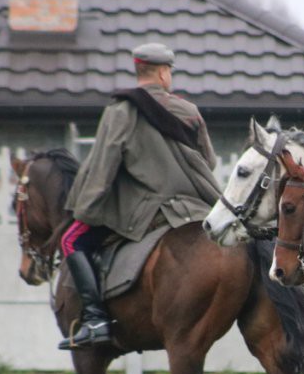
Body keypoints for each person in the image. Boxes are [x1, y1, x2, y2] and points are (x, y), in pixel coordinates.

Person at [57, 42, 223, 350]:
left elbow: (104, 165)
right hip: (194, 206)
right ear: (162, 73)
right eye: (169, 71)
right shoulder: (189, 111)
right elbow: (208, 162)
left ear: (141, 70)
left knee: (70, 239)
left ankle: (95, 320)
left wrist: (86, 210)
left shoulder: (120, 111)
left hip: (145, 211)